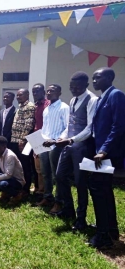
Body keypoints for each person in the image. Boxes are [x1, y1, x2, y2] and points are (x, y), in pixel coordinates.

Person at [87, 67, 125, 249]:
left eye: (98, 77)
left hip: (107, 155)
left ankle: (103, 236)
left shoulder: (116, 95)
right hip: (99, 153)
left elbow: (119, 126)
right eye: (93, 78)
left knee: (99, 190)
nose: (94, 81)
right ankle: (110, 229)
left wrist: (103, 150)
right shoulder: (102, 97)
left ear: (110, 77)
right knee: (103, 190)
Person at [54, 71, 97, 229]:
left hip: (83, 148)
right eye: (71, 87)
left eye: (77, 87)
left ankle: (81, 218)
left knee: (80, 183)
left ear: (86, 85)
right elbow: (70, 124)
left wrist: (71, 139)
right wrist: (62, 137)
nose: (74, 90)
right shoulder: (72, 100)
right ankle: (68, 209)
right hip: (69, 145)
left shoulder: (92, 100)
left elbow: (89, 129)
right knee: (59, 176)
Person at [36, 84, 69, 209]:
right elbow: (45, 128)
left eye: (52, 91)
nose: (49, 93)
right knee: (45, 173)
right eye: (48, 91)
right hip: (44, 145)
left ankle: (59, 201)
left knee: (57, 175)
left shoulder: (64, 107)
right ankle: (48, 197)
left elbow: (67, 127)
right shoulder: (46, 109)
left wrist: (56, 140)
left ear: (59, 92)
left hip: (56, 146)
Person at [10, 88, 35, 197]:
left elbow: (28, 125)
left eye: (20, 95)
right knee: (18, 166)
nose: (18, 97)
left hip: (23, 143)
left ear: (27, 95)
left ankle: (26, 189)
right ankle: (19, 187)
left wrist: (22, 140)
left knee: (25, 166)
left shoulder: (29, 106)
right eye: (17, 95)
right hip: (15, 140)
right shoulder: (21, 107)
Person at [32, 83, 50, 196]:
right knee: (37, 165)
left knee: (44, 167)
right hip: (36, 137)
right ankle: (39, 188)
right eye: (33, 91)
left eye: (37, 91)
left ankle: (44, 191)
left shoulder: (47, 105)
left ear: (43, 92)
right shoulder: (36, 105)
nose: (35, 93)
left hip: (45, 138)